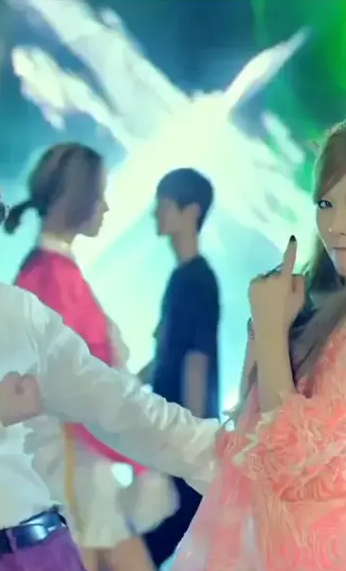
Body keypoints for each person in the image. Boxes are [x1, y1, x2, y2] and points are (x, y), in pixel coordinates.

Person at [0, 115, 218, 571]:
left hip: (45, 544)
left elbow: (115, 401)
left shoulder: (12, 310)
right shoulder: (46, 278)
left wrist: (240, 458)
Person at [170, 116, 346, 571]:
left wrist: (270, 326)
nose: (336, 225)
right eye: (326, 203)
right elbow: (250, 425)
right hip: (264, 540)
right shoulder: (325, 301)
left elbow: (289, 456)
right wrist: (267, 330)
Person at [4, 143, 177, 571]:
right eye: (99, 195)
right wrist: (136, 453)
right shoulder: (51, 279)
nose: (105, 206)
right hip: (67, 459)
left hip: (77, 458)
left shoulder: (51, 274)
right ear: (77, 197)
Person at [144, 168, 219, 568]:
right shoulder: (181, 277)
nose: (156, 212)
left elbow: (196, 362)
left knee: (148, 544)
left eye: (164, 204)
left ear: (190, 212)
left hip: (180, 440)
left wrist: (192, 442)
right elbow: (166, 353)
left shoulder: (198, 281)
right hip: (168, 434)